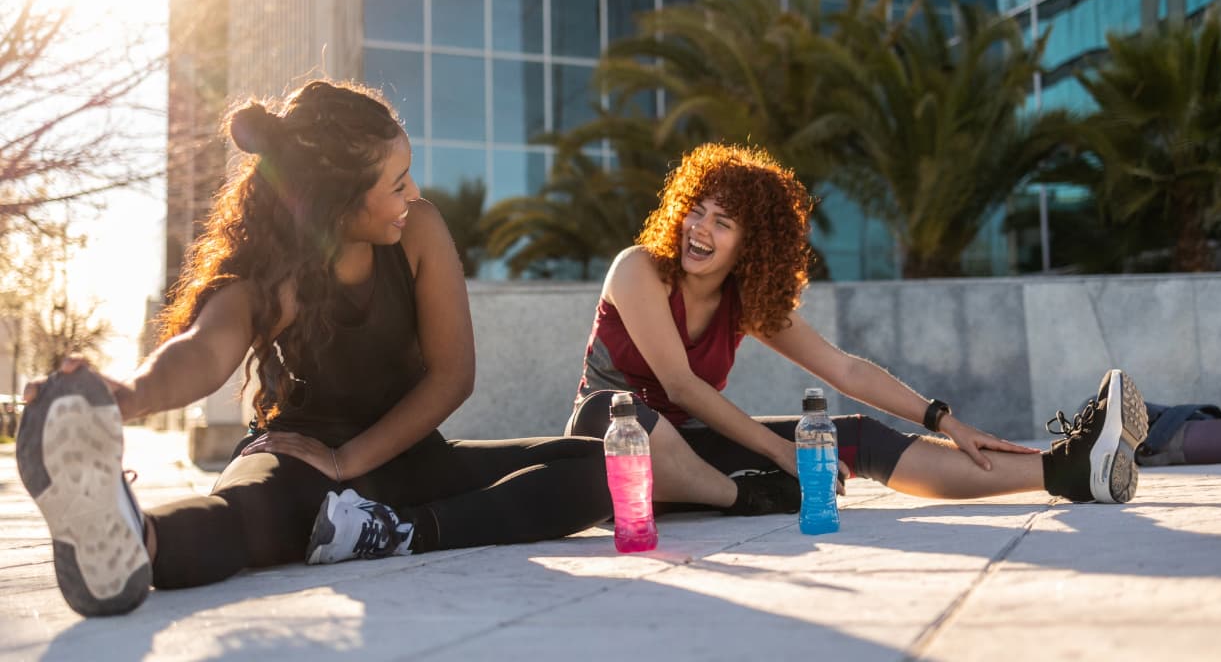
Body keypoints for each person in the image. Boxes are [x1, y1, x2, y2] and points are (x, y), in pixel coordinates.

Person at [16, 80, 613, 617]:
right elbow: (205, 349)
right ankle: (129, 541)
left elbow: (453, 376)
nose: (412, 192)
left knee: (599, 469)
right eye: (397, 183)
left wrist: (346, 463)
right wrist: (126, 396)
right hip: (297, 460)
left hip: (408, 460)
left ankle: (395, 532)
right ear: (339, 199)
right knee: (245, 515)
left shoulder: (419, 230)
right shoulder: (271, 273)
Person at [565, 143, 1149, 516]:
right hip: (608, 437)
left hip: (687, 447)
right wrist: (781, 452)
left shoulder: (744, 300)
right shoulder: (639, 269)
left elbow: (843, 368)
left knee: (854, 437)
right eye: (696, 210)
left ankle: (1068, 469)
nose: (699, 228)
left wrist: (943, 419)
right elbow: (681, 385)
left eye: (723, 222)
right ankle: (744, 497)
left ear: (751, 243)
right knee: (641, 425)